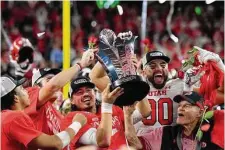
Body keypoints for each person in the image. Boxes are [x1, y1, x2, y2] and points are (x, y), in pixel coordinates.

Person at [20, 47, 98, 135]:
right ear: (36, 86)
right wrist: (80, 64)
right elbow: (52, 86)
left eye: (55, 78)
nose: (58, 85)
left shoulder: (58, 115)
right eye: (49, 79)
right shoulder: (29, 95)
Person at [1, 76, 87, 150]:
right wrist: (77, 123)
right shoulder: (13, 118)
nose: (26, 91)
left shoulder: (4, 117)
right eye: (22, 89)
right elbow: (57, 143)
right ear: (15, 98)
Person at [124, 91, 224, 150]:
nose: (180, 108)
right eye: (180, 106)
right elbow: (136, 144)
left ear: (200, 112)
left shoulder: (215, 130)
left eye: (187, 105)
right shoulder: (165, 133)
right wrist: (128, 116)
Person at [61, 76, 125, 149]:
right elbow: (102, 142)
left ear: (94, 93)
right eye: (80, 92)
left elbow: (136, 119)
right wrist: (107, 106)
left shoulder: (113, 108)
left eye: (88, 90)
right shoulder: (71, 119)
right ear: (72, 100)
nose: (86, 94)